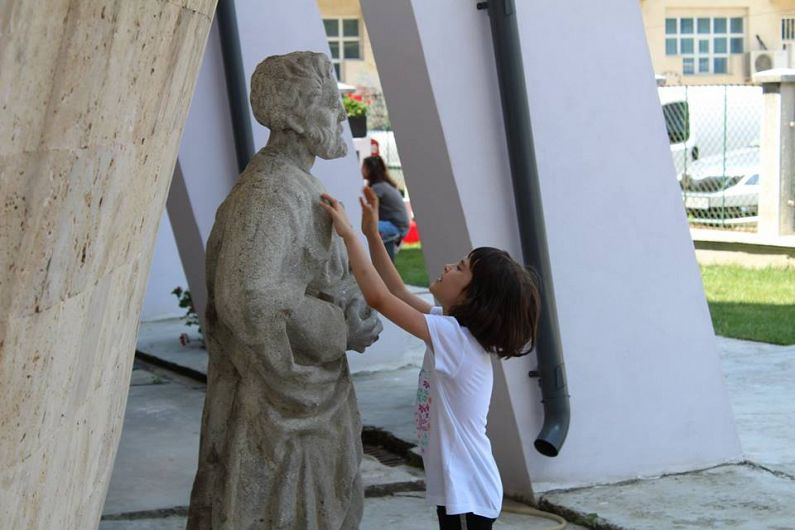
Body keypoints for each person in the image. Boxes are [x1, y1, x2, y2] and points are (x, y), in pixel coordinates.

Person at [187, 52, 381, 530]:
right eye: (330, 103)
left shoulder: (298, 184)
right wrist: (337, 327)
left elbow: (311, 278)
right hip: (285, 416)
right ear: (295, 113)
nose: (341, 116)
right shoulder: (270, 193)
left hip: (310, 405)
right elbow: (250, 298)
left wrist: (351, 302)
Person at [320, 187, 542, 530]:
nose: (448, 265)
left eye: (460, 268)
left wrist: (348, 235)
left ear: (474, 297)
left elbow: (379, 299)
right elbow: (397, 292)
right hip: (459, 489)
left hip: (468, 492)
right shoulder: (453, 330)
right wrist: (372, 235)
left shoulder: (456, 341)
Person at [361, 155, 410, 260]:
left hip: (395, 227)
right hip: (400, 226)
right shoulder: (385, 185)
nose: (361, 170)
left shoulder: (378, 188)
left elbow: (369, 211)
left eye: (363, 167)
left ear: (370, 170)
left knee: (363, 227)